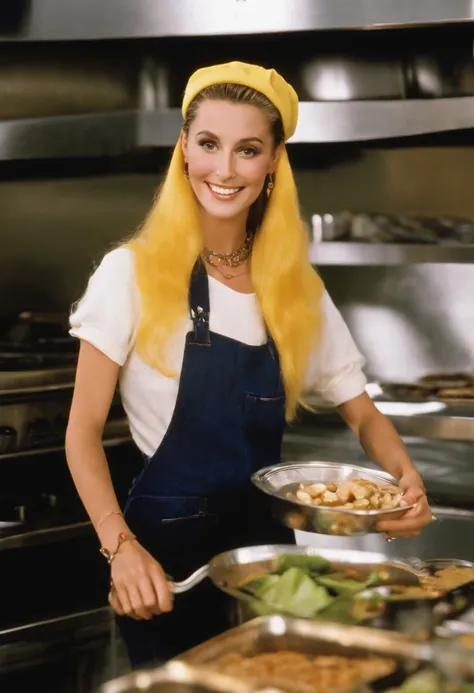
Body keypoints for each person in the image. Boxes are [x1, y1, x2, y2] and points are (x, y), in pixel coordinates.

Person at [65, 61, 433, 668]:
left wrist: (402, 484)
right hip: (163, 572)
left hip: (267, 572)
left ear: (272, 163)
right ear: (184, 148)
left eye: (248, 149)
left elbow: (363, 413)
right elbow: (80, 435)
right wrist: (120, 549)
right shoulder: (129, 274)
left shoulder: (293, 288)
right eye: (208, 143)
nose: (225, 169)